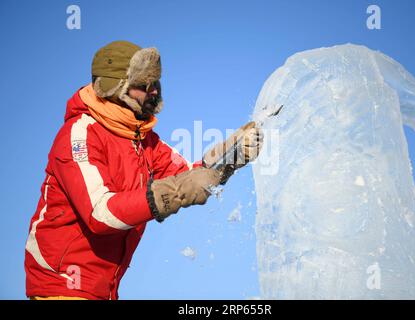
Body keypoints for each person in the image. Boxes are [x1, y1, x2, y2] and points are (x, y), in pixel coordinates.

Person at [24, 40, 263, 300]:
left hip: (104, 291)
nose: (153, 91)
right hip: (62, 289)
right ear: (114, 88)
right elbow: (99, 213)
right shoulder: (79, 133)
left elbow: (188, 175)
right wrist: (176, 190)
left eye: (155, 83)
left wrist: (232, 155)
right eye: (143, 85)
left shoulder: (144, 141)